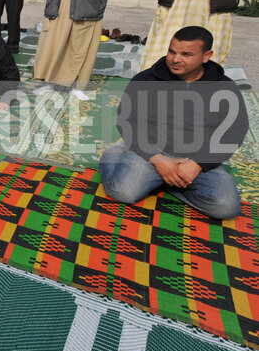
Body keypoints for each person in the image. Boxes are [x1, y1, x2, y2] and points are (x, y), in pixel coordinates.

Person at [100, 26, 247, 219]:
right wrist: (157, 158)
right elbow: (126, 119)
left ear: (206, 56)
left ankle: (165, 181)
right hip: (151, 152)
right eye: (172, 51)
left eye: (186, 54)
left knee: (226, 208)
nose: (175, 59)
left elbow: (234, 131)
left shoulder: (224, 88)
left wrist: (198, 164)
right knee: (122, 192)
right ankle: (116, 153)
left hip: (196, 158)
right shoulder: (146, 80)